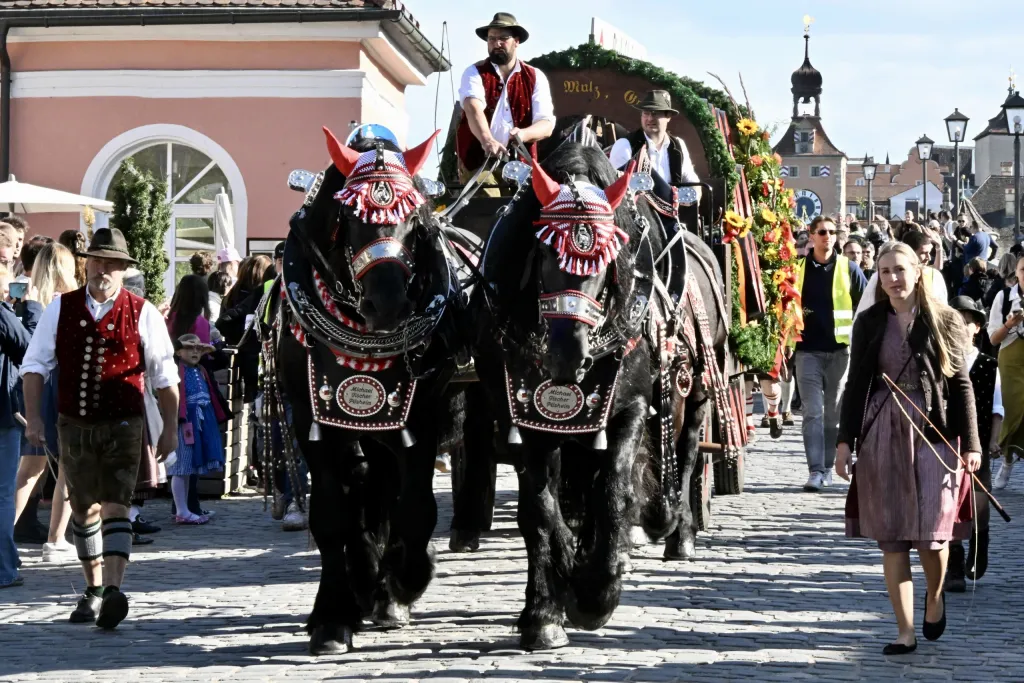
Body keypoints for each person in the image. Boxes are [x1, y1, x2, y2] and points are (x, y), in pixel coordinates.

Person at [20, 228, 179, 628]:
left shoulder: (142, 312)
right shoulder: (61, 308)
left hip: (124, 425)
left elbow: (165, 376)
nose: (103, 270)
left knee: (115, 505)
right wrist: (35, 418)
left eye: (112, 264)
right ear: (85, 264)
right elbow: (34, 366)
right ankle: (92, 589)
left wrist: (171, 429)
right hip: (73, 425)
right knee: (82, 508)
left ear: (124, 270)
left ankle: (113, 590)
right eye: (98, 261)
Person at [836, 241, 980, 655]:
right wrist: (845, 442)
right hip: (882, 430)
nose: (893, 279)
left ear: (918, 271)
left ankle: (934, 598)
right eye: (885, 272)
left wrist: (971, 444)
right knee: (893, 537)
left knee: (933, 538)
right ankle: (905, 630)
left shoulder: (945, 320)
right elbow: (857, 385)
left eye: (900, 269)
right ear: (878, 278)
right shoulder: (868, 322)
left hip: (935, 434)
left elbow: (961, 385)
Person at [11, 244, 77, 563]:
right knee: (66, 464)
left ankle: (4, 536)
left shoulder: (27, 301)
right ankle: (56, 539)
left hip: (33, 388)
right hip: (59, 386)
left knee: (30, 470)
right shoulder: (70, 303)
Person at [793, 215, 868, 491]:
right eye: (822, 232)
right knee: (812, 411)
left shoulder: (849, 269)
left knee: (833, 413)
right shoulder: (797, 268)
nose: (828, 236)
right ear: (811, 235)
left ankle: (827, 467)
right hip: (807, 350)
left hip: (840, 351)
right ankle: (816, 470)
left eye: (832, 232)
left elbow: (867, 306)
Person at [455, 12, 555, 193]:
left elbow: (546, 125)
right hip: (479, 160)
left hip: (520, 166)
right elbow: (473, 108)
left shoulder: (534, 77)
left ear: (516, 41)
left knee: (521, 213)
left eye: (503, 38)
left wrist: (523, 134)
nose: (496, 43)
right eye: (492, 39)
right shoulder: (474, 72)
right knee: (488, 203)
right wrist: (487, 141)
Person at [944, 296, 1001, 592]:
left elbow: (996, 408)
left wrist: (992, 440)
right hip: (948, 441)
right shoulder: (941, 362)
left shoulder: (990, 366)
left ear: (976, 327)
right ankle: (953, 562)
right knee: (950, 502)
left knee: (979, 501)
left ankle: (980, 539)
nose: (959, 327)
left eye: (965, 322)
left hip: (978, 442)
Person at [0, 261, 42, 589]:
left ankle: (8, 560)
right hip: (2, 413)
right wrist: (30, 309)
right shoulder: (3, 313)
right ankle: (4, 568)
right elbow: (28, 348)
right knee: (2, 493)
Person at [167, 334, 227, 525]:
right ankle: (181, 509)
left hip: (199, 420)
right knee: (181, 465)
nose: (195, 352)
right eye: (189, 348)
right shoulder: (176, 370)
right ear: (178, 351)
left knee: (189, 468)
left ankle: (184, 509)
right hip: (183, 420)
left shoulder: (200, 370)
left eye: (198, 349)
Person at [608, 90, 701, 201]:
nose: (650, 118)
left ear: (668, 116)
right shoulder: (625, 145)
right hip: (638, 214)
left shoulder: (679, 145)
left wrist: (693, 199)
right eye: (646, 113)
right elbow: (617, 189)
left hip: (673, 212)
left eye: (656, 113)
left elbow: (691, 181)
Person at [988, 253, 1024, 490]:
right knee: (1012, 414)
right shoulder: (1003, 297)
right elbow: (992, 339)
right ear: (1016, 273)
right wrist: (1010, 324)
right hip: (1010, 358)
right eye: (1023, 270)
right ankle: (1007, 460)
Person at [855, 231, 947, 320]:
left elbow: (943, 314)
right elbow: (864, 308)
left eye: (900, 270)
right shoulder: (877, 277)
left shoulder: (934, 276)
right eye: (923, 253)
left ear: (917, 274)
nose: (928, 257)